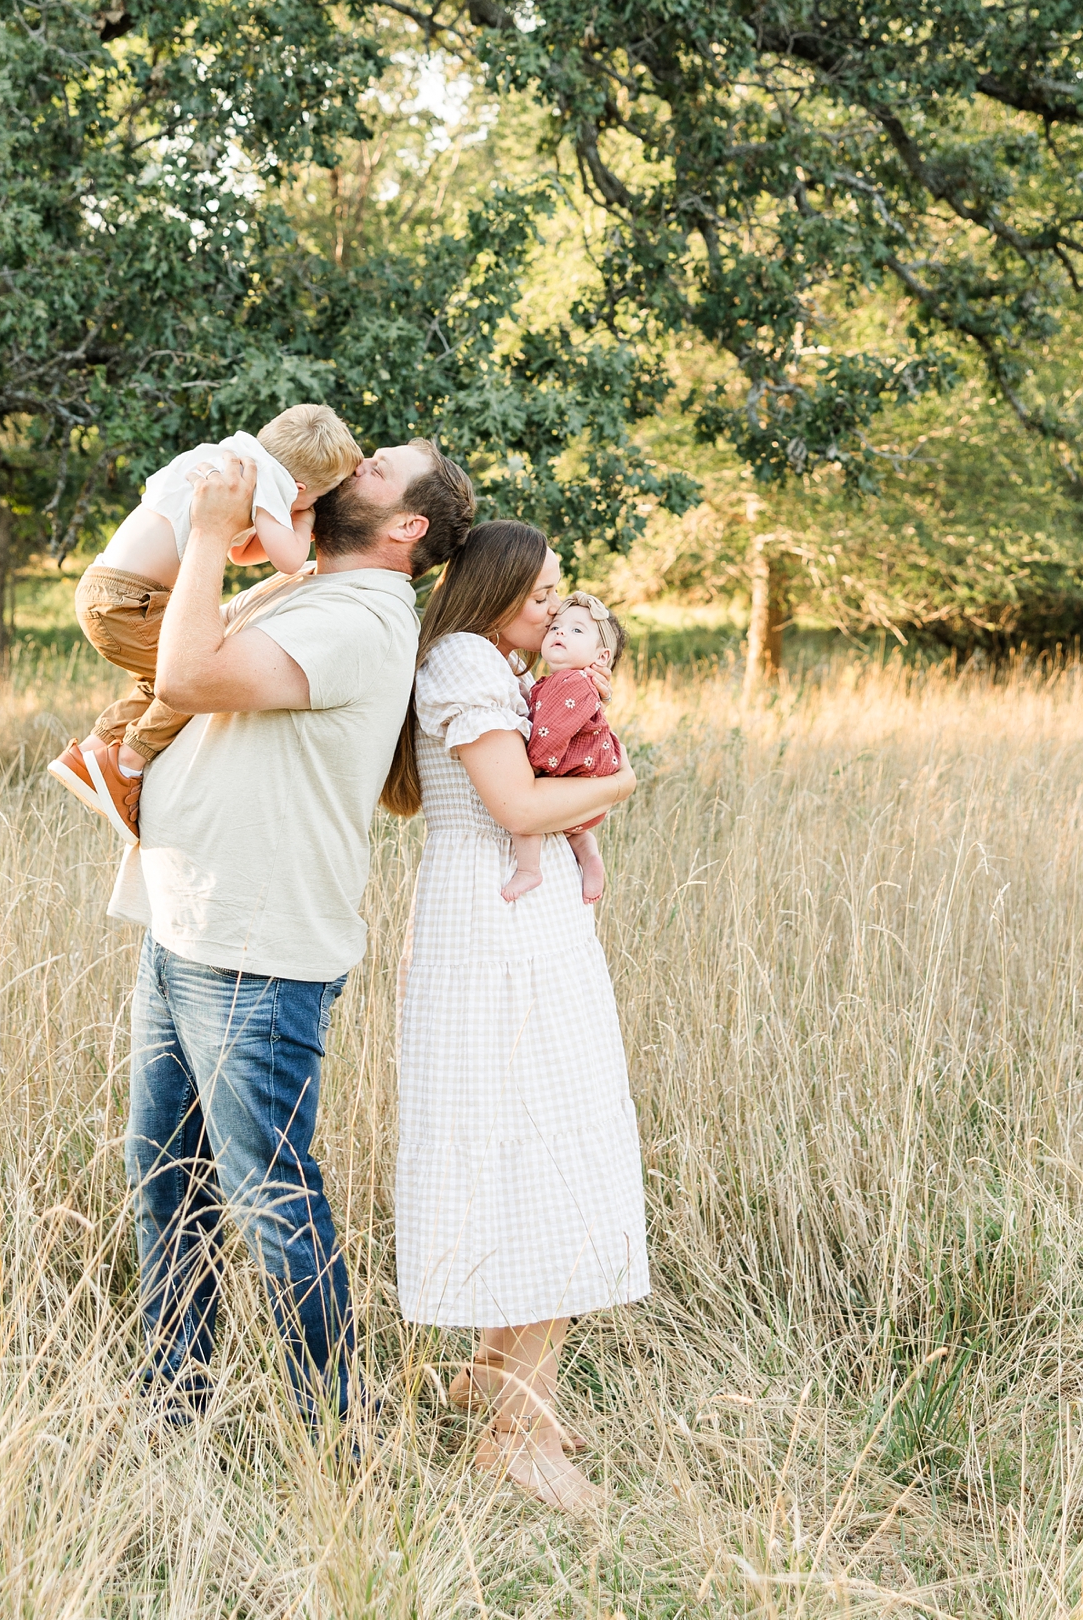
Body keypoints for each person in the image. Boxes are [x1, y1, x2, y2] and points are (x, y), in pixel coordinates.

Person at [111, 436, 477, 1427]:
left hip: (257, 957)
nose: (355, 460)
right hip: (189, 922)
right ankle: (174, 1402)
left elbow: (187, 675)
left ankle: (334, 1433)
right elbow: (159, 640)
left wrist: (212, 531)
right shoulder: (308, 589)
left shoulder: (362, 618)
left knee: (271, 1200)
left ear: (408, 526)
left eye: (378, 466)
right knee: (166, 1176)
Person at [384, 522, 647, 1513]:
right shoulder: (461, 660)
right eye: (541, 594)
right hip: (501, 920)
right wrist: (624, 778)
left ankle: (501, 1376)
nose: (555, 610)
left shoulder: (492, 663)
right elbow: (519, 808)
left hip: (511, 917)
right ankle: (516, 1432)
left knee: (543, 1140)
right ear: (493, 589)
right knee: (541, 1148)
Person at [48, 404, 363, 840]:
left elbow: (239, 551)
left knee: (159, 677)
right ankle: (127, 765)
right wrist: (305, 518)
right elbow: (290, 561)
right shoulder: (268, 480)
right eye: (312, 499)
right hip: (132, 600)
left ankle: (93, 751)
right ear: (299, 487)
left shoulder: (230, 457)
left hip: (108, 589)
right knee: (198, 672)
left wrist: (286, 520)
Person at [500, 591, 626, 905]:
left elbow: (549, 735)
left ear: (601, 657)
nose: (560, 632)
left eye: (576, 630)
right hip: (587, 787)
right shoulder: (573, 680)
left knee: (528, 806)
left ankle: (529, 868)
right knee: (574, 830)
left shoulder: (569, 682)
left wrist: (531, 766)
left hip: (573, 776)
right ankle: (588, 853)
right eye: (557, 626)